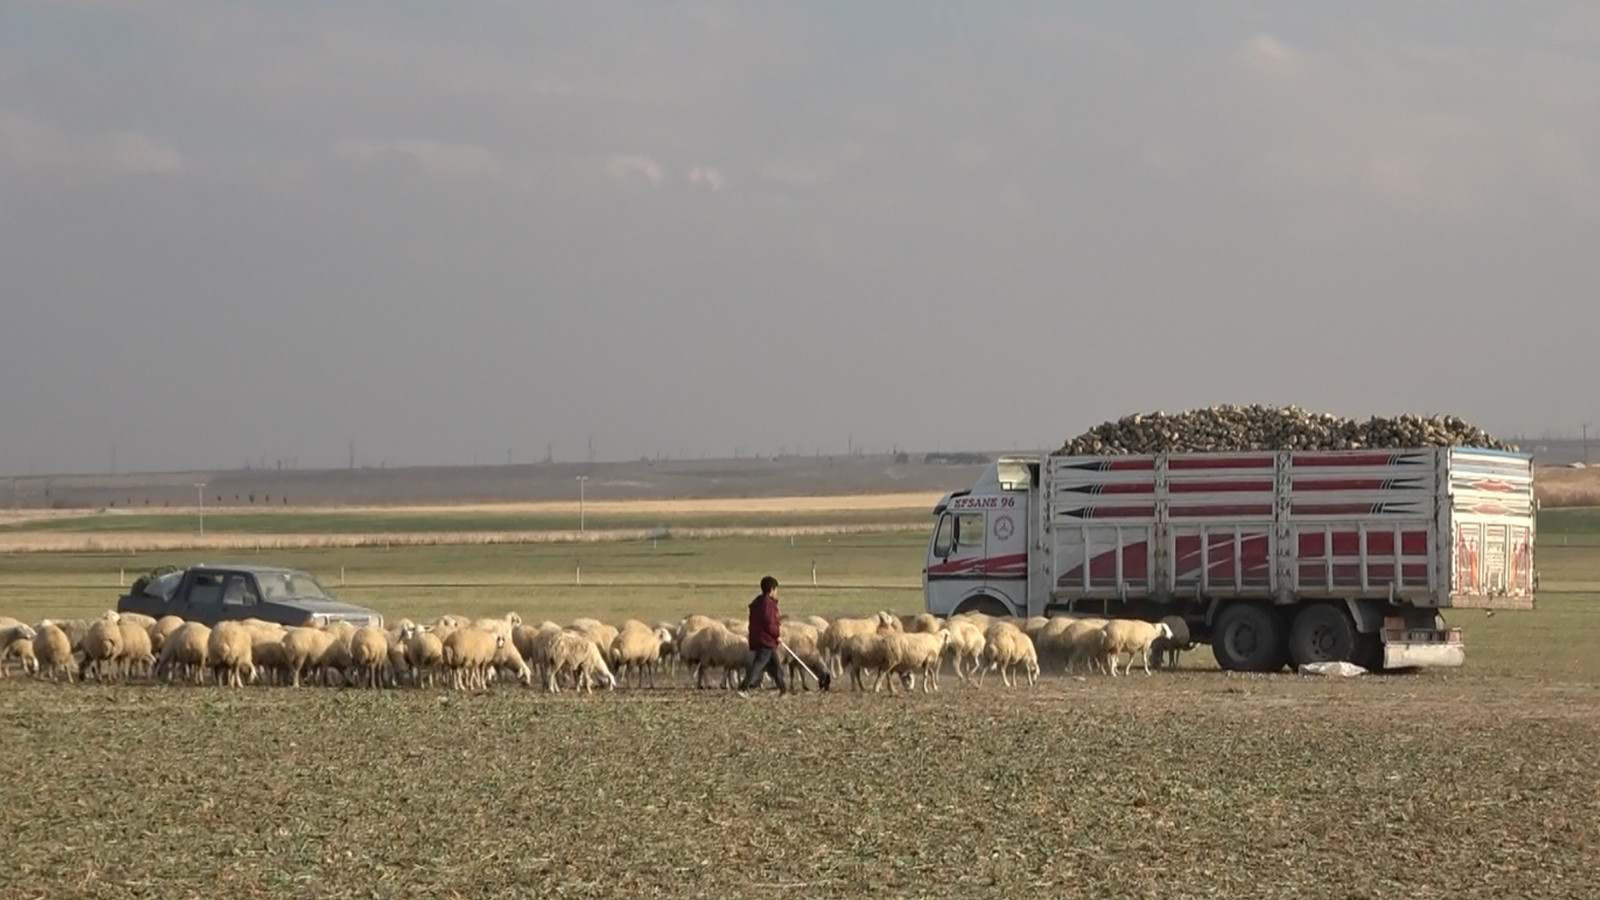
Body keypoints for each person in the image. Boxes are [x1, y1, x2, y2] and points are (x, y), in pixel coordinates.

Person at [737, 575, 788, 697]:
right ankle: (744, 688)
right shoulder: (768, 604)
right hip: (766, 640)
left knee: (775, 666)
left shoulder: (759, 602)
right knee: (758, 666)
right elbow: (769, 623)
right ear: (771, 590)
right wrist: (776, 634)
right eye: (776, 590)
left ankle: (783, 690)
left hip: (762, 639)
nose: (777, 593)